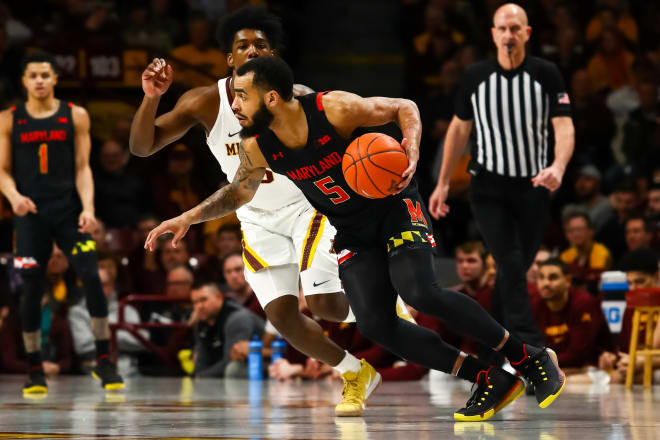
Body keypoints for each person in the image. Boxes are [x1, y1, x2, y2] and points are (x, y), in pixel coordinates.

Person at [144, 55, 566, 421]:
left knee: (420, 291)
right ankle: (486, 378)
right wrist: (186, 218)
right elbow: (238, 192)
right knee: (376, 323)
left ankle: (528, 357)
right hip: (351, 228)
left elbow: (405, 107)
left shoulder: (333, 108)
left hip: (394, 208)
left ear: (271, 97)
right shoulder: (258, 145)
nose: (233, 104)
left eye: (241, 95)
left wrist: (412, 150)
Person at [129, 6, 411, 417]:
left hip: (305, 207)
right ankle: (356, 373)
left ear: (273, 55)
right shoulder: (205, 102)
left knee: (326, 306)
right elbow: (142, 146)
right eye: (243, 45)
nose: (253, 50)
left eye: (261, 45)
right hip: (255, 216)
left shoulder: (294, 97)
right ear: (230, 58)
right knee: (282, 316)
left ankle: (390, 304)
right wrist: (151, 98)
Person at [428, 3, 575, 354]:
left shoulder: (546, 73)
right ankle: (532, 351)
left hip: (534, 185)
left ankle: (487, 350)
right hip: (489, 186)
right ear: (493, 34)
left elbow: (564, 125)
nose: (509, 34)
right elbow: (459, 128)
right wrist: (443, 182)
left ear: (527, 33)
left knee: (514, 270)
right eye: (503, 28)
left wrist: (558, 166)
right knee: (508, 262)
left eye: (515, 28)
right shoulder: (476, 76)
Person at [0, 51, 123, 394]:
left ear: (55, 79)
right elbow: (2, 170)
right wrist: (13, 198)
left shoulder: (75, 115)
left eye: (45, 75)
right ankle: (34, 367)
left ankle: (103, 359)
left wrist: (88, 208)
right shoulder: (9, 119)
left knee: (92, 277)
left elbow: (84, 168)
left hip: (69, 211)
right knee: (30, 288)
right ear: (24, 81)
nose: (39, 80)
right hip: (29, 214)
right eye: (33, 75)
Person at [532, 258, 612, 373]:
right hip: (553, 367)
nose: (546, 283)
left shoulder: (583, 303)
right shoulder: (535, 303)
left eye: (553, 277)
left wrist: (538, 363)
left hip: (590, 367)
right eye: (541, 277)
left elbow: (578, 355)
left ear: (568, 280)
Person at [190, 282, 265, 378]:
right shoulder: (202, 322)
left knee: (234, 369)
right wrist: (197, 377)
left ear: (219, 297)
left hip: (267, 363)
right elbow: (201, 361)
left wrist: (199, 377)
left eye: (203, 300)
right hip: (225, 370)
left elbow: (231, 360)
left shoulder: (237, 318)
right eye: (195, 302)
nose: (199, 306)